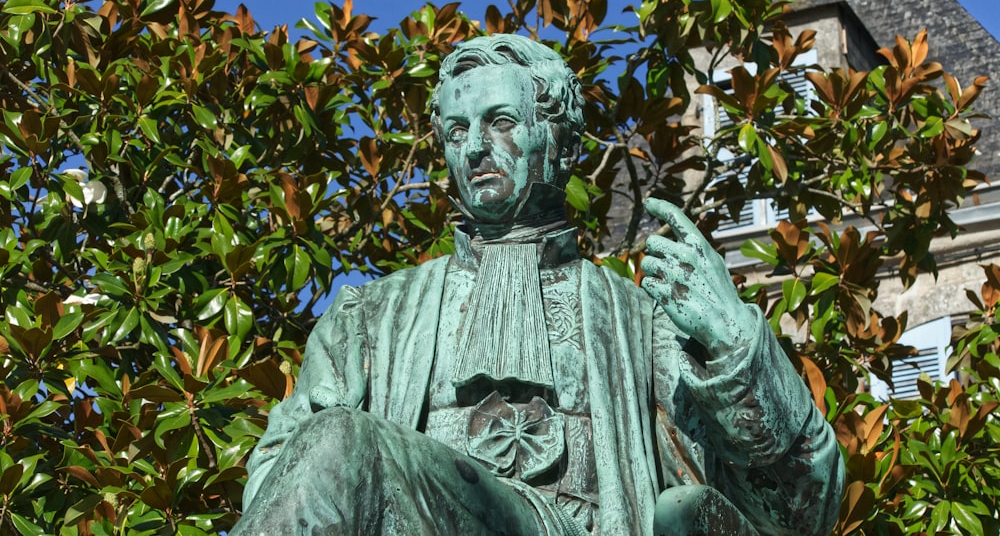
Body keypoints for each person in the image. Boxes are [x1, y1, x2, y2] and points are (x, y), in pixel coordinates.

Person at [232, 34, 844, 535]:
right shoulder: (370, 319)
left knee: (341, 443)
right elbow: (282, 481)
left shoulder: (642, 324)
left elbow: (799, 511)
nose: (474, 148)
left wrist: (737, 348)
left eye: (500, 122)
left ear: (558, 139)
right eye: (455, 131)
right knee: (335, 442)